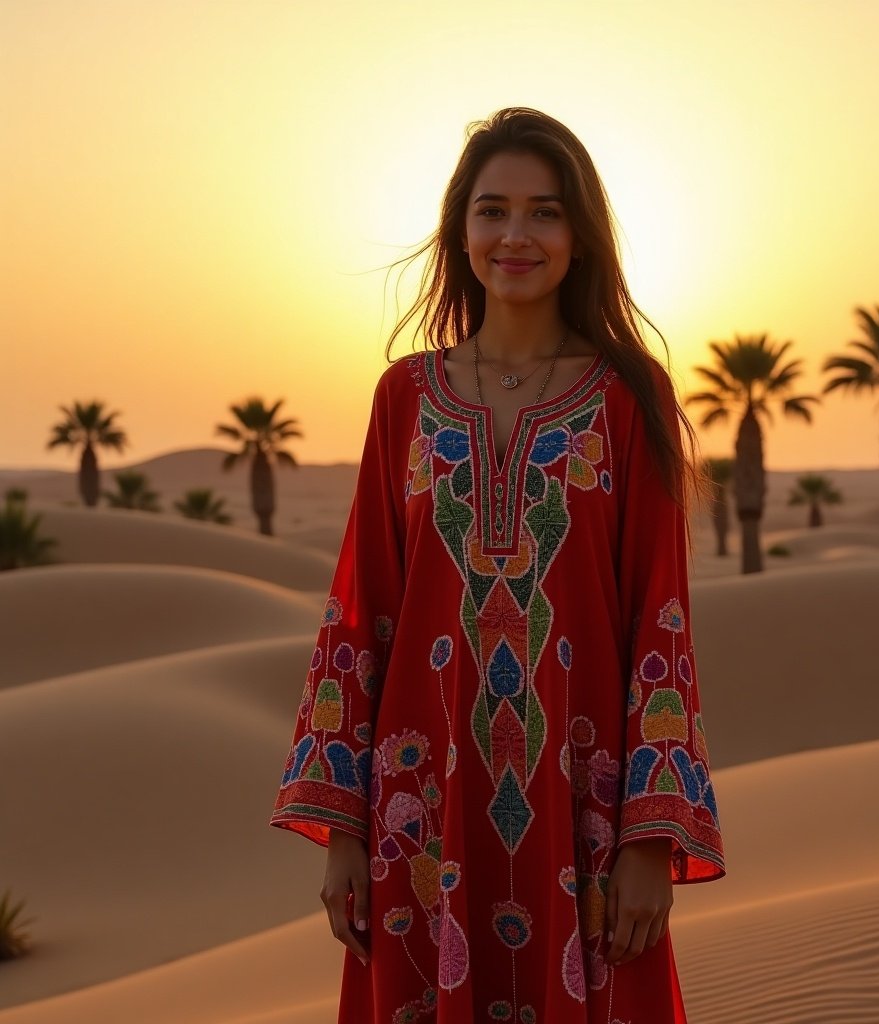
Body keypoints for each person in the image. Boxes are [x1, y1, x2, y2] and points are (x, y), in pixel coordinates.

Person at [269, 106, 726, 1024]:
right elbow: (363, 616)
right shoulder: (404, 395)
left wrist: (650, 838)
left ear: (580, 235)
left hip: (585, 806)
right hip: (422, 804)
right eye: (493, 211)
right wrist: (346, 831)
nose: (516, 235)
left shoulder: (628, 396)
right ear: (460, 230)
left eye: (546, 212)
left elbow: (660, 624)